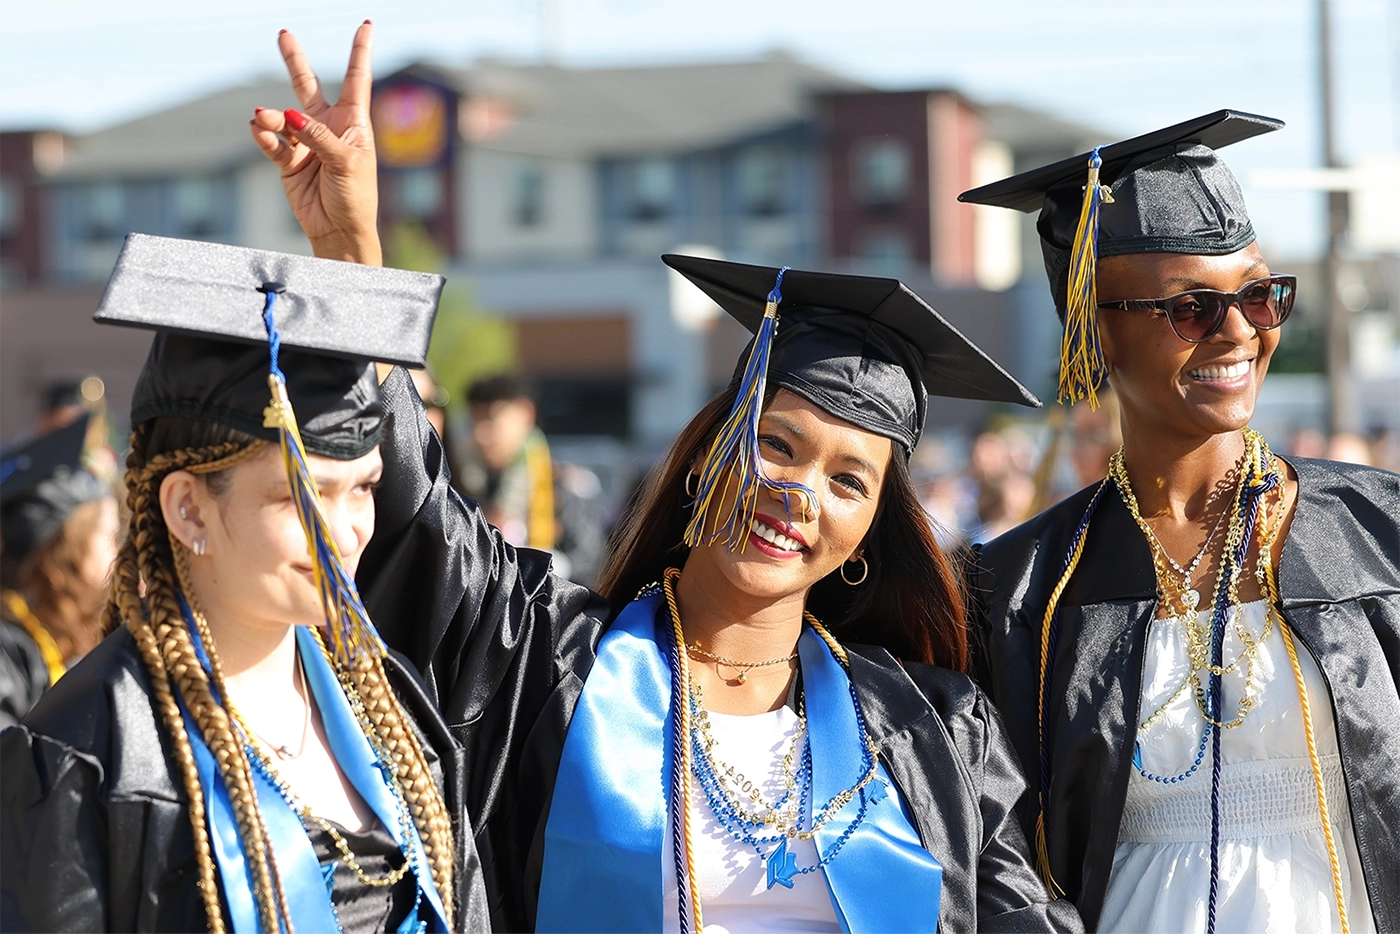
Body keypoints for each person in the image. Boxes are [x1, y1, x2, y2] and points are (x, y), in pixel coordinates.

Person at [252, 25, 1083, 933]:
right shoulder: (548, 660)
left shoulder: (932, 730)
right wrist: (352, 253)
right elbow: (415, 516)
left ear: (867, 536)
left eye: (850, 481)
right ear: (701, 461)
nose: (801, 493)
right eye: (778, 444)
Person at [960, 110, 1393, 932]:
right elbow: (995, 851)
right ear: (1095, 332)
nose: (1241, 332)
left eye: (1261, 296)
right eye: (1191, 307)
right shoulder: (1019, 591)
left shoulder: (1380, 534)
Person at [0, 232, 489, 933]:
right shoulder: (90, 750)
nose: (345, 531)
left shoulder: (389, 706)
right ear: (188, 508)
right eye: (301, 497)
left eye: (363, 488)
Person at [0, 415, 118, 727]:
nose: (119, 555)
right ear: (64, 556)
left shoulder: (57, 640)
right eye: (109, 537)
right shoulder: (7, 656)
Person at [456, 372, 607, 585]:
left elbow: (593, 567)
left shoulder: (564, 486)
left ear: (526, 413)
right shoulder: (465, 487)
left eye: (490, 419)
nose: (481, 434)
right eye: (475, 420)